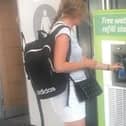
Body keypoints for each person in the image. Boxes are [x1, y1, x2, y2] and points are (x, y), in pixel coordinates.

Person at [50, 0, 122, 126]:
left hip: (71, 92)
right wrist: (85, 65)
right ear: (76, 12)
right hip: (69, 94)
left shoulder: (63, 29)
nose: (83, 17)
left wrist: (109, 67)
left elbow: (83, 60)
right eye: (83, 13)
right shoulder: (63, 33)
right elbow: (59, 66)